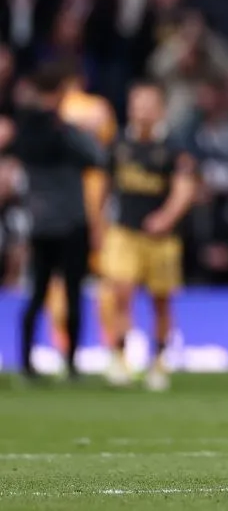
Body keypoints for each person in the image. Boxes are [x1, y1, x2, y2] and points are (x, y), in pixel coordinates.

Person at [8, 65, 106, 382]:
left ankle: (26, 362)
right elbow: (96, 157)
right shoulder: (63, 131)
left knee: (37, 294)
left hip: (41, 221)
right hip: (69, 220)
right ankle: (72, 363)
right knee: (72, 293)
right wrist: (77, 129)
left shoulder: (25, 131)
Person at [100, 80, 196, 391]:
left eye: (147, 105)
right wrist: (99, 224)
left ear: (160, 110)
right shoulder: (117, 145)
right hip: (124, 232)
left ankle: (159, 362)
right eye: (136, 104)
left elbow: (185, 188)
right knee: (120, 293)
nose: (141, 111)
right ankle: (120, 357)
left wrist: (166, 217)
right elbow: (105, 187)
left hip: (161, 239)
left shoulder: (174, 147)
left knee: (161, 301)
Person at [45, 66, 119, 368]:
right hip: (95, 200)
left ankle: (61, 343)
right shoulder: (100, 108)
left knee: (60, 277)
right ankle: (112, 344)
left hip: (61, 203)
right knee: (108, 277)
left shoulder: (54, 111)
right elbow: (107, 154)